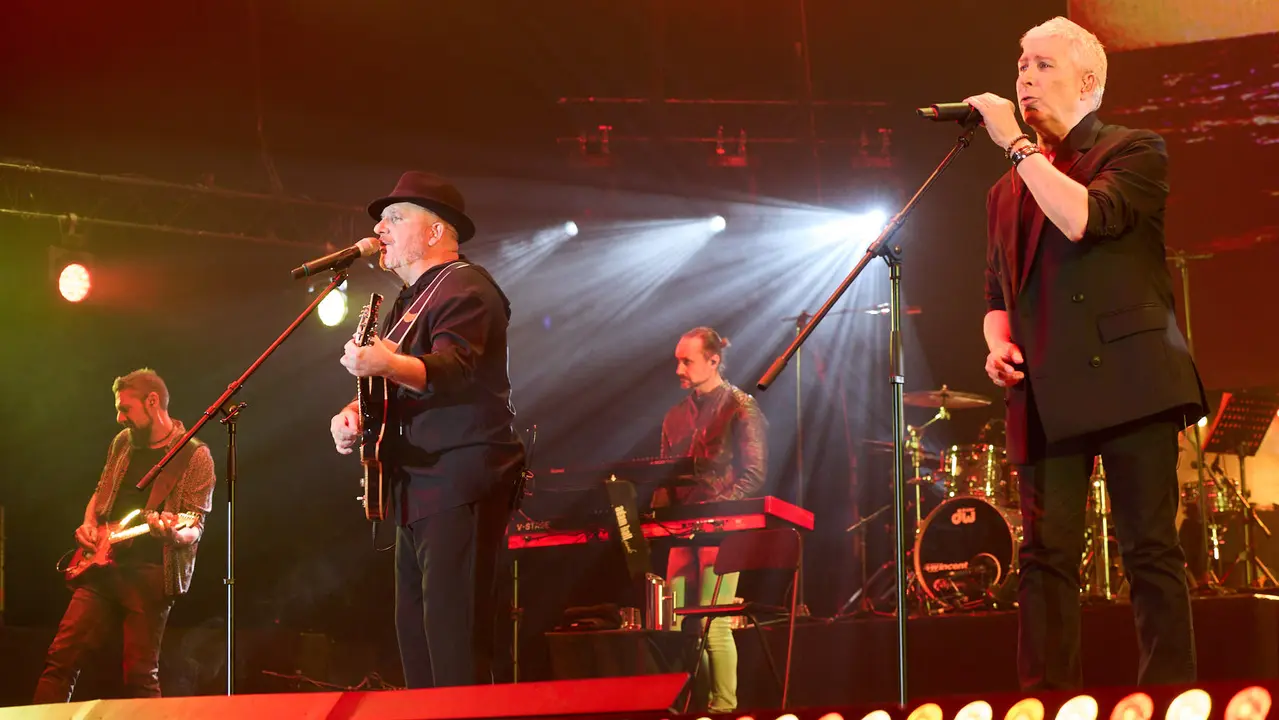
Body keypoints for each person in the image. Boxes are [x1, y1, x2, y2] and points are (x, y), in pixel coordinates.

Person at [964, 17, 1208, 689]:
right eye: (1020, 65)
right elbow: (995, 292)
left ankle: (1167, 697)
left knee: (1149, 550)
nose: (1023, 77)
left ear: (1088, 82)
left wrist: (1015, 145)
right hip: (1044, 389)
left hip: (1132, 380)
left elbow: (1082, 219)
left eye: (1042, 65)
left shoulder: (1133, 150)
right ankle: (1043, 701)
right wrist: (996, 343)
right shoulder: (1003, 193)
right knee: (1043, 558)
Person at [330, 171, 525, 689]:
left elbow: (453, 370)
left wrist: (382, 366)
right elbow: (390, 379)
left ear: (436, 231)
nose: (381, 228)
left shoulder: (467, 286)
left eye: (395, 217)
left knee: (453, 639)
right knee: (418, 641)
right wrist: (352, 412)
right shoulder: (407, 301)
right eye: (380, 220)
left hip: (458, 477)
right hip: (416, 487)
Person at [33, 369, 216, 703]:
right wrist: (88, 524)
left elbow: (194, 527)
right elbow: (101, 491)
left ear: (152, 401)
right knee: (60, 659)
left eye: (125, 409)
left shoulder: (195, 456)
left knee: (140, 675)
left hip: (150, 573)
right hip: (102, 565)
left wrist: (172, 534)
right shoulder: (123, 443)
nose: (119, 418)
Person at [655, 327, 767, 712]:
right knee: (671, 624)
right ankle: (696, 702)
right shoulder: (673, 416)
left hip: (720, 528)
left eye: (687, 360)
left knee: (712, 622)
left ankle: (724, 706)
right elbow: (665, 475)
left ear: (713, 360)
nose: (679, 369)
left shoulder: (740, 405)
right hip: (682, 529)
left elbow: (754, 473)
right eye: (678, 360)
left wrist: (718, 512)